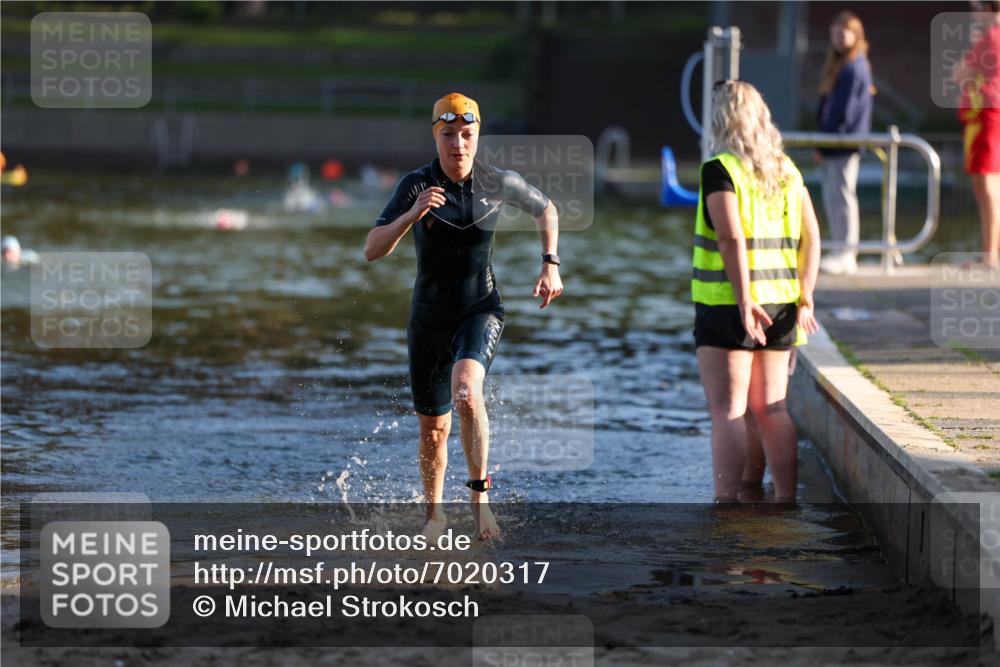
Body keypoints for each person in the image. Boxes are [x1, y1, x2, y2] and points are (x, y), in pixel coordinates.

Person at [364, 93, 562, 539]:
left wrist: (550, 261)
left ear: (478, 137)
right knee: (434, 432)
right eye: (449, 135)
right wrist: (411, 216)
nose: (458, 144)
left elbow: (546, 208)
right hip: (429, 318)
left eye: (467, 135)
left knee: (468, 392)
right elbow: (372, 249)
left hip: (480, 306)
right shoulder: (415, 185)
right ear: (436, 136)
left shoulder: (498, 181)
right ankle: (433, 516)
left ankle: (479, 499)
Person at [692, 81, 821, 503]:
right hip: (782, 303)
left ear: (721, 119)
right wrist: (806, 295)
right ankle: (782, 500)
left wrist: (745, 298)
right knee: (772, 409)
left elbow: (729, 238)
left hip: (730, 303)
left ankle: (725, 506)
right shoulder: (786, 169)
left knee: (728, 410)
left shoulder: (720, 169)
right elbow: (812, 238)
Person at [815, 11, 874, 276]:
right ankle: (840, 249)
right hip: (834, 142)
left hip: (843, 143)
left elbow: (844, 112)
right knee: (833, 195)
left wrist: (824, 144)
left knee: (842, 196)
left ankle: (846, 253)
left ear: (856, 35)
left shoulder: (854, 67)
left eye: (844, 33)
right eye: (835, 33)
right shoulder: (841, 64)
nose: (838, 38)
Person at [955, 1, 1000, 268]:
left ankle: (990, 254)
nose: (973, 13)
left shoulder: (990, 37)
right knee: (990, 186)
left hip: (987, 116)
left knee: (986, 186)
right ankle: (991, 250)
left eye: (976, 7)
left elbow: (960, 74)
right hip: (988, 115)